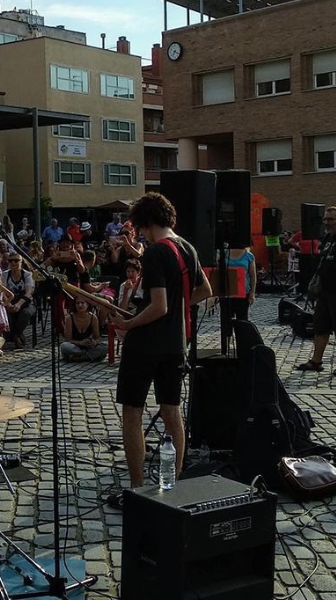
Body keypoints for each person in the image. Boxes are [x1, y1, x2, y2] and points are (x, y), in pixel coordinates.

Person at [113, 194, 208, 494]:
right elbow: (205, 289)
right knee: (172, 412)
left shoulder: (155, 253)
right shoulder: (188, 248)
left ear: (146, 222)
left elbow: (158, 306)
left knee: (132, 412)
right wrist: (180, 309)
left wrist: (128, 324)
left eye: (141, 228)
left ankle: (137, 485)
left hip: (145, 345)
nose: (142, 234)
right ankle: (174, 482)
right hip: (175, 344)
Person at [295, 206, 336, 377]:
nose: (327, 222)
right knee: (320, 327)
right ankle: (316, 361)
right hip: (324, 291)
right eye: (325, 219)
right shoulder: (328, 238)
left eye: (330, 219)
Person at [2, 253, 35, 349]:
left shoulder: (28, 275)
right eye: (10, 261)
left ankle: (16, 335)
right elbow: (2, 291)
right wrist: (8, 304)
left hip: (26, 303)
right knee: (7, 315)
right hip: (9, 301)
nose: (13, 263)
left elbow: (28, 292)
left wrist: (19, 304)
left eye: (16, 260)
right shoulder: (4, 274)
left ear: (21, 262)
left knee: (25, 314)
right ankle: (15, 336)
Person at [219, 245, 257, 327]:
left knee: (242, 321)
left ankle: (241, 335)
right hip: (226, 292)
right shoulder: (222, 254)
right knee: (226, 322)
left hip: (243, 293)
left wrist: (252, 292)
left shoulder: (249, 256)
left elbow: (253, 276)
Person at [61, 296, 107, 362]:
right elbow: (68, 339)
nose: (80, 305)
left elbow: (97, 338)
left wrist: (94, 342)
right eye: (78, 303)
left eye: (82, 303)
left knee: (104, 347)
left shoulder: (93, 318)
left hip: (88, 347)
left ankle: (79, 358)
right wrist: (80, 343)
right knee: (64, 346)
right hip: (75, 346)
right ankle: (89, 356)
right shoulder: (69, 318)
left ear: (87, 305)